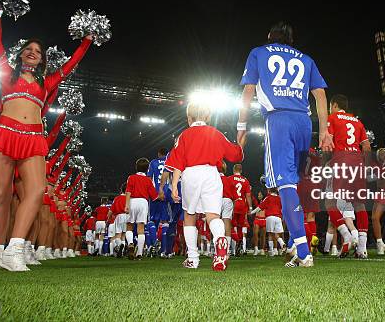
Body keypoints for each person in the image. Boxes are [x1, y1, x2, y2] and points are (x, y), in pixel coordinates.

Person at [0, 6, 93, 272]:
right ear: (20, 54)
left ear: (42, 60)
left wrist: (87, 40)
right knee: (1, 196)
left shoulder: (47, 83)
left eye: (38, 52)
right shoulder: (6, 73)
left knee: (37, 190)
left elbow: (72, 64)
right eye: (29, 49)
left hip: (32, 138)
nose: (33, 52)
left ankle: (15, 249)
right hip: (5, 133)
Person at [237, 21, 333, 268]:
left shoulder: (258, 52)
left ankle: (303, 251)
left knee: (285, 183)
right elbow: (320, 94)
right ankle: (294, 244)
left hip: (278, 120)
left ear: (270, 36)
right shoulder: (305, 58)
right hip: (303, 121)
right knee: (297, 182)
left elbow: (249, 90)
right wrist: (324, 130)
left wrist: (241, 125)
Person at [166, 102, 244, 271]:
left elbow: (178, 163)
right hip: (211, 174)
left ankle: (193, 259)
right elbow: (235, 155)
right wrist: (240, 144)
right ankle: (220, 241)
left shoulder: (184, 135)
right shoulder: (215, 133)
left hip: (191, 174)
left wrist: (173, 185)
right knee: (213, 215)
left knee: (189, 215)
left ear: (189, 118)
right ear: (208, 117)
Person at [326, 94, 372, 258]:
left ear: (334, 105)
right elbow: (366, 146)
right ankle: (362, 248)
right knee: (359, 204)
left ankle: (347, 236)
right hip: (358, 162)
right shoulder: (358, 122)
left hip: (341, 160)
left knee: (330, 202)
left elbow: (328, 142)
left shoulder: (332, 118)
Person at [124, 159, 159, 260]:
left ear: (136, 167)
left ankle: (130, 244)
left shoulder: (131, 178)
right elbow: (154, 196)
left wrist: (127, 205)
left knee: (129, 227)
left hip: (133, 201)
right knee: (141, 229)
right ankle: (139, 253)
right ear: (148, 169)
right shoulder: (148, 180)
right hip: (143, 203)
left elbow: (128, 191)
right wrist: (161, 196)